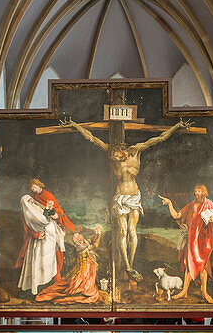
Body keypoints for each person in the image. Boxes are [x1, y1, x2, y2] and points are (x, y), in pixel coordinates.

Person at [63, 116, 187, 282]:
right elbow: (91, 137)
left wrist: (177, 125)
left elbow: (159, 138)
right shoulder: (110, 151)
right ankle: (127, 266)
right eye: (112, 156)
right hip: (120, 197)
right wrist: (74, 124)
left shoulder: (135, 151)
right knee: (122, 232)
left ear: (122, 151)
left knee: (132, 231)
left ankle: (132, 263)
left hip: (135, 197)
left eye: (116, 156)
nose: (113, 158)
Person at [159, 184, 213, 303]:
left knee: (202, 265)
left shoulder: (209, 204)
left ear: (204, 193)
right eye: (195, 191)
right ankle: (184, 291)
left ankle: (204, 292)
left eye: (199, 191)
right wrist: (169, 203)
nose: (196, 193)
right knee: (188, 263)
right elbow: (176, 215)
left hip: (204, 240)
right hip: (191, 239)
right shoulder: (191, 205)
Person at [16, 178, 75, 296]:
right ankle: (38, 286)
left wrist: (54, 213)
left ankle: (50, 282)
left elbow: (56, 211)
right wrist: (35, 234)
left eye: (34, 187)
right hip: (40, 238)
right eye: (32, 189)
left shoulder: (46, 195)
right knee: (38, 262)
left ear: (39, 185)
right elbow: (31, 224)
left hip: (51, 234)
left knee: (51, 259)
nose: (33, 190)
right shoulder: (32, 203)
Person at [35, 228, 106, 304]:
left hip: (89, 266)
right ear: (79, 241)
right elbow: (95, 245)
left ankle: (85, 288)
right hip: (86, 267)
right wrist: (98, 234)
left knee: (85, 280)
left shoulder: (83, 244)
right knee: (83, 282)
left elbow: (91, 241)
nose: (81, 236)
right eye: (80, 237)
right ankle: (84, 290)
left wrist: (96, 234)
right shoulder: (82, 247)